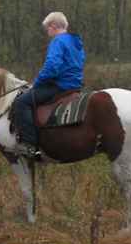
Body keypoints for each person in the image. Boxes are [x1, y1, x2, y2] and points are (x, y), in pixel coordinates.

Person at [12, 11, 85, 159]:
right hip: (75, 85)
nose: (48, 32)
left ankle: (29, 145)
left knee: (21, 103)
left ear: (53, 26)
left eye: (47, 29)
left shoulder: (58, 41)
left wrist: (37, 83)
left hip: (59, 86)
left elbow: (52, 67)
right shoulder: (75, 42)